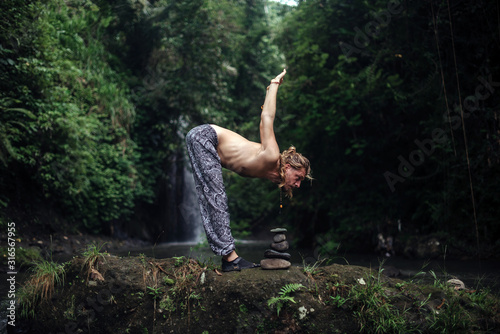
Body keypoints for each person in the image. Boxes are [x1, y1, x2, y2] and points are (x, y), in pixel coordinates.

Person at [186, 69, 312, 272]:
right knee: (216, 197)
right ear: (288, 167)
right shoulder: (272, 155)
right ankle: (230, 259)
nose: (298, 184)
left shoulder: (274, 175)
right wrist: (274, 85)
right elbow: (267, 117)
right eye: (298, 177)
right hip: (205, 137)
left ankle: (227, 257)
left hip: (204, 142)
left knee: (211, 197)